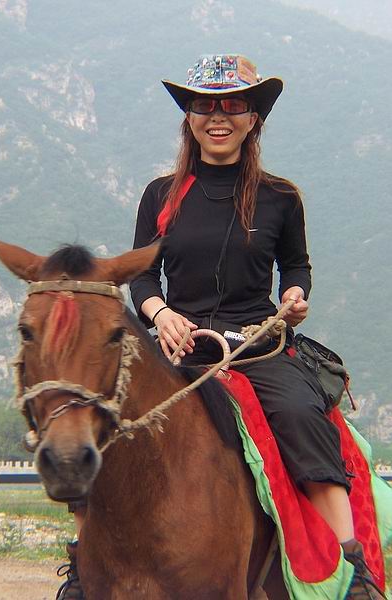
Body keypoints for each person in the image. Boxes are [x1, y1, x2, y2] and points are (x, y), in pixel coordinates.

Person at [56, 54, 385, 600]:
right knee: (99, 413)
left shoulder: (281, 197)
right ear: (189, 117)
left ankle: (354, 570)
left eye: (232, 105)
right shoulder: (160, 196)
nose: (218, 117)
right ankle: (82, 563)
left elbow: (296, 265)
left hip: (257, 347)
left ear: (253, 118)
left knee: (302, 414)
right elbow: (143, 276)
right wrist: (161, 314)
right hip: (177, 346)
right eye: (204, 105)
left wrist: (295, 295)